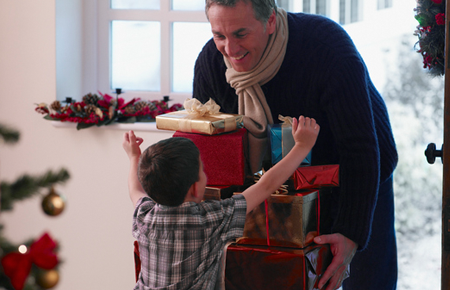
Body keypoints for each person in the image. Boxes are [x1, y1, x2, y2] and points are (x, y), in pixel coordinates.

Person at [193, 0, 399, 289]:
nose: (230, 49)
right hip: (273, 186)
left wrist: (349, 234)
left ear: (271, 22)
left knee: (365, 278)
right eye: (219, 36)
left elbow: (359, 148)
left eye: (241, 34)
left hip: (358, 176)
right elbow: (210, 153)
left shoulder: (327, 47)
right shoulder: (210, 65)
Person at [123, 116, 320, 290]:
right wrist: (302, 146)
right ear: (194, 188)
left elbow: (135, 190)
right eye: (203, 172)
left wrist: (134, 156)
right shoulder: (211, 218)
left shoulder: (144, 214)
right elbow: (266, 186)